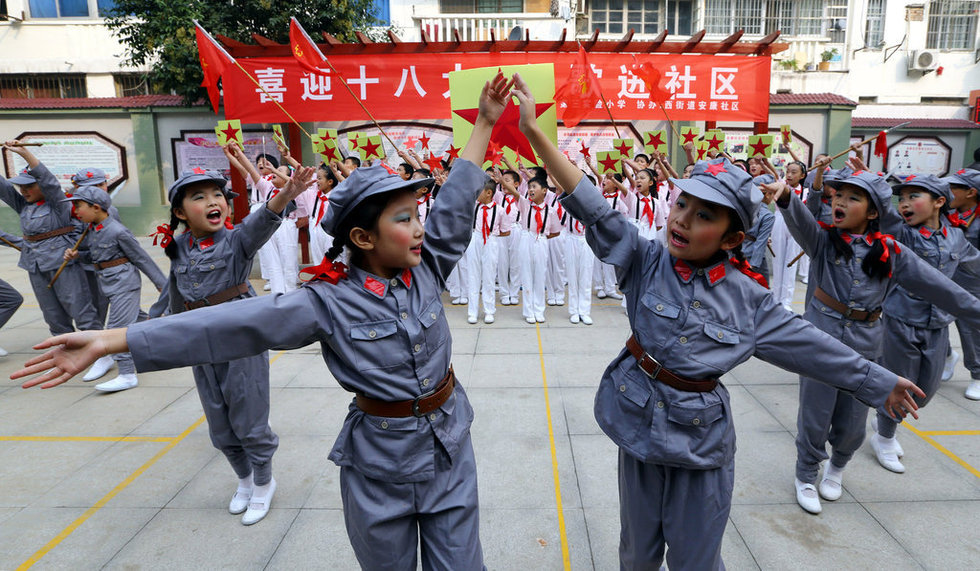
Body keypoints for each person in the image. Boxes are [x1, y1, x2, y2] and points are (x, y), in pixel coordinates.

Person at [15, 71, 513, 569]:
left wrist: (485, 123)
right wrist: (116, 340)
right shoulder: (325, 301)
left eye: (415, 214)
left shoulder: (427, 265)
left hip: (449, 447)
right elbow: (226, 325)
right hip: (381, 464)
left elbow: (454, 202)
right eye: (403, 219)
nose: (420, 228)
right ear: (362, 238)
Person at [508, 72, 923, 570]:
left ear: (731, 239)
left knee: (695, 558)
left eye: (705, 215)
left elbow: (815, 347)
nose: (682, 219)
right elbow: (594, 208)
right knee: (636, 553)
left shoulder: (751, 300)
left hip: (699, 440)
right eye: (681, 204)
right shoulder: (646, 260)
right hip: (637, 420)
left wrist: (881, 382)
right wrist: (534, 132)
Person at [769, 169, 980, 514]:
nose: (840, 202)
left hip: (867, 340)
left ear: (872, 213)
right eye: (839, 196)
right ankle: (806, 472)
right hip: (820, 337)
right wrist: (785, 197)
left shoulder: (891, 250)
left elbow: (944, 290)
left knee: (853, 417)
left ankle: (838, 466)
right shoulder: (823, 241)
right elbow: (801, 221)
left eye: (853, 198)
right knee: (815, 412)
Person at [872, 173, 980, 473]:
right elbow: (885, 215)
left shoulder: (957, 236)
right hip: (900, 321)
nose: (904, 204)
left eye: (913, 197)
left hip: (939, 323)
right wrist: (875, 183)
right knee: (901, 385)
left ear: (939, 202)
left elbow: (974, 262)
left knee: (927, 390)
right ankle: (884, 435)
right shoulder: (902, 235)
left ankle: (885, 420)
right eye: (901, 198)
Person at [0, 141, 107, 376]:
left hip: (63, 262)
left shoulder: (58, 203)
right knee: (52, 313)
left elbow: (49, 181)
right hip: (34, 264)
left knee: (80, 309)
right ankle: (66, 350)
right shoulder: (24, 205)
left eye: (30, 186)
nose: (24, 191)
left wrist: (26, 154)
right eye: (22, 187)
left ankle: (100, 353)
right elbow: (4, 189)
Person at [61, 186, 167, 392]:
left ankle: (127, 374)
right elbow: (98, 256)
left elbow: (141, 258)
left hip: (124, 284)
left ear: (96, 207)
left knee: (117, 329)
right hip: (108, 283)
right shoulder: (92, 229)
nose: (75, 211)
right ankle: (164, 338)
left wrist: (162, 285)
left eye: (79, 205)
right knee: (137, 319)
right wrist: (77, 256)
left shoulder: (117, 231)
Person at [944, 168, 980, 399]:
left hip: (971, 282)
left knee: (970, 330)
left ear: (971, 193)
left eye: (953, 188)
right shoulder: (944, 212)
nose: (947, 192)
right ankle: (946, 356)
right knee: (930, 322)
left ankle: (977, 374)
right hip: (942, 277)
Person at [465, 180, 503, 324]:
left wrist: (492, 238)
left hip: (491, 239)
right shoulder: (474, 207)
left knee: (489, 276)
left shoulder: (499, 209)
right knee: (473, 275)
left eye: (479, 190)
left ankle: (489, 310)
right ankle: (472, 311)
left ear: (489, 193)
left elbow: (504, 229)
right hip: (475, 237)